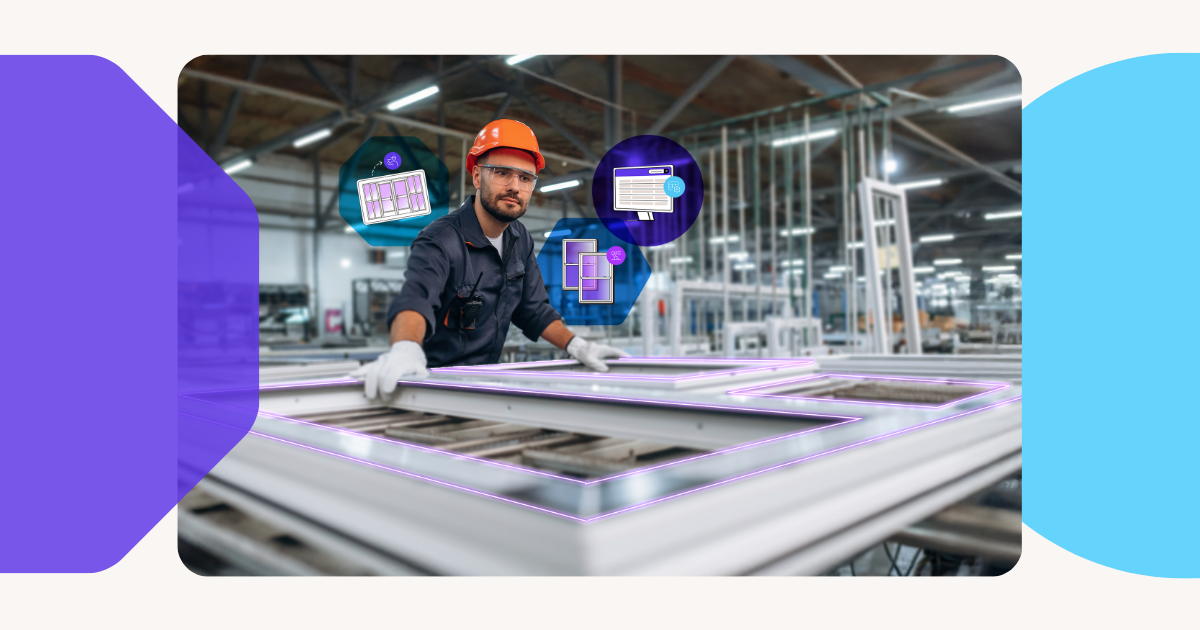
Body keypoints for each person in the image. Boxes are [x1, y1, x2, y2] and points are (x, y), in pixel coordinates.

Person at [353, 119, 627, 399]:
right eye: (502, 173)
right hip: (431, 388)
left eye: (525, 178)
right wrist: (405, 347)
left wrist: (577, 345)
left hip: (484, 386)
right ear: (476, 176)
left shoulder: (520, 238)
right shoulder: (440, 239)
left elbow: (534, 310)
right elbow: (416, 299)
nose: (514, 186)